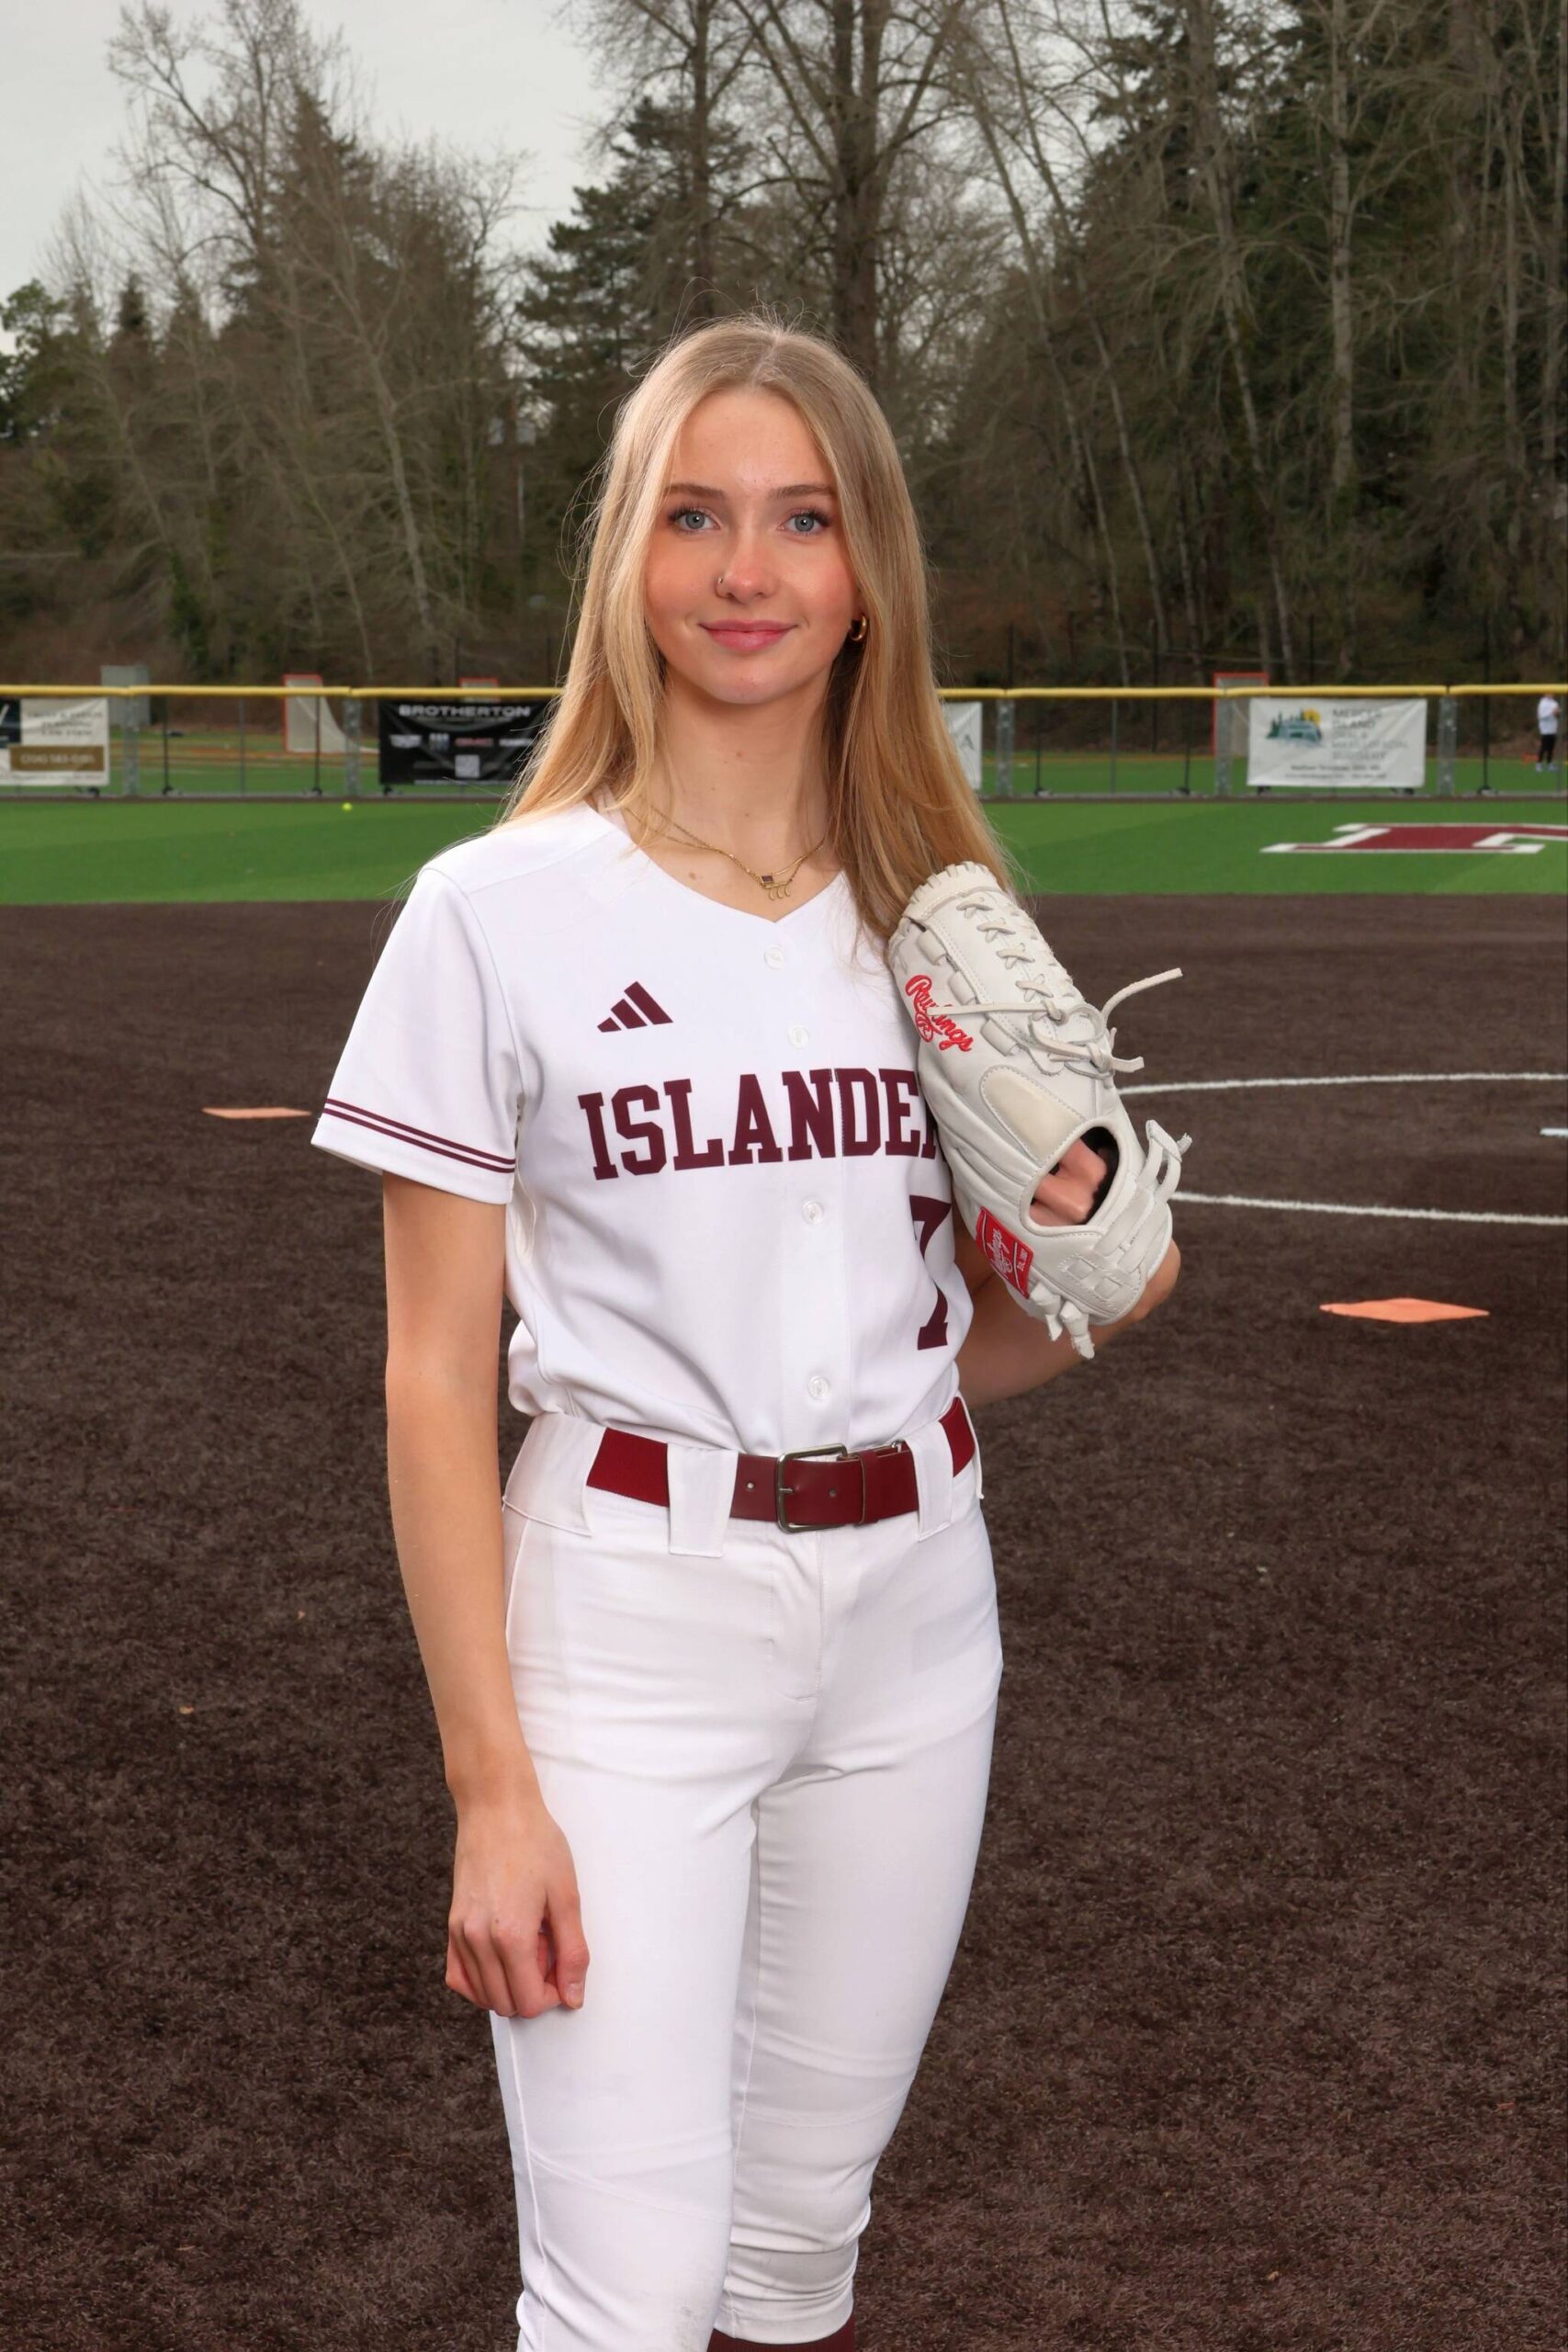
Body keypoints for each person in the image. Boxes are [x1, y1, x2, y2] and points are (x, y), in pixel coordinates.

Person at [311, 312, 1180, 2352]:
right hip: (625, 1615)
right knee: (626, 2296)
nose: (745, 569)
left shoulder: (939, 910)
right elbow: (433, 1375)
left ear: (865, 564)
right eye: (693, 514)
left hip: (912, 1612)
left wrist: (1093, 1266)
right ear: (627, 552)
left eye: (801, 517)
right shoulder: (496, 908)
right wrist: (489, 1791)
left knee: (795, 2257)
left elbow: (985, 1328)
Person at [1536, 692, 1559, 773]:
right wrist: (1551, 713)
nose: (1552, 694)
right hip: (1545, 729)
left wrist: (1557, 713)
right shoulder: (1542, 703)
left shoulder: (1555, 703)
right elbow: (1541, 716)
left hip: (1553, 728)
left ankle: (1549, 764)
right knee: (1544, 747)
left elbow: (1556, 715)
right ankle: (1539, 764)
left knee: (1551, 747)